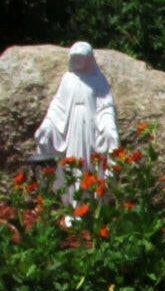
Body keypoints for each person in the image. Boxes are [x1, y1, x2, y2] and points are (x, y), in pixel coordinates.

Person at [32, 42, 119, 205]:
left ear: (89, 59)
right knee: (71, 165)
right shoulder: (67, 79)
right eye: (76, 57)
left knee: (88, 163)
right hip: (71, 129)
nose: (79, 61)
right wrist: (48, 124)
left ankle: (90, 204)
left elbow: (105, 106)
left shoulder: (98, 79)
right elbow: (58, 105)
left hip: (89, 129)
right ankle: (72, 204)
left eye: (82, 57)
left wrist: (108, 127)